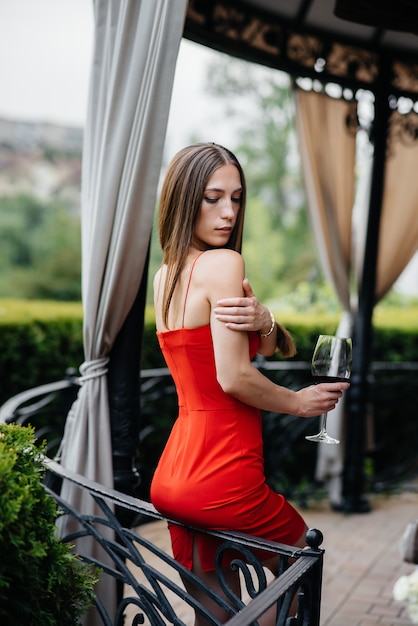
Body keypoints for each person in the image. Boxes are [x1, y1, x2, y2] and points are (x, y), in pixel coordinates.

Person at [150, 142, 349, 625]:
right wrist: (298, 404)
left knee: (214, 609)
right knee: (299, 568)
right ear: (183, 199)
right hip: (223, 471)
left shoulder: (166, 275)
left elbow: (276, 347)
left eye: (236, 198)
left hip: (175, 474)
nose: (228, 212)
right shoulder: (223, 264)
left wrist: (264, 321)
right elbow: (234, 376)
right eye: (212, 198)